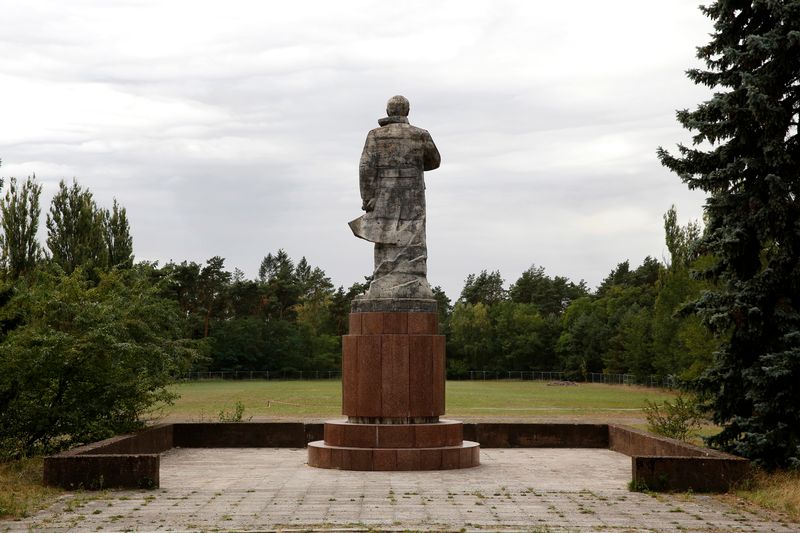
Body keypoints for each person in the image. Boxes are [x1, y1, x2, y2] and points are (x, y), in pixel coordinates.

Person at [349, 95, 441, 300]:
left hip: (384, 195)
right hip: (413, 196)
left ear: (389, 111)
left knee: (385, 235)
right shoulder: (420, 135)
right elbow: (434, 161)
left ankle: (383, 283)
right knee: (413, 235)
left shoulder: (375, 135)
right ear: (407, 112)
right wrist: (414, 164)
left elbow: (366, 167)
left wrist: (367, 197)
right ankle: (415, 282)